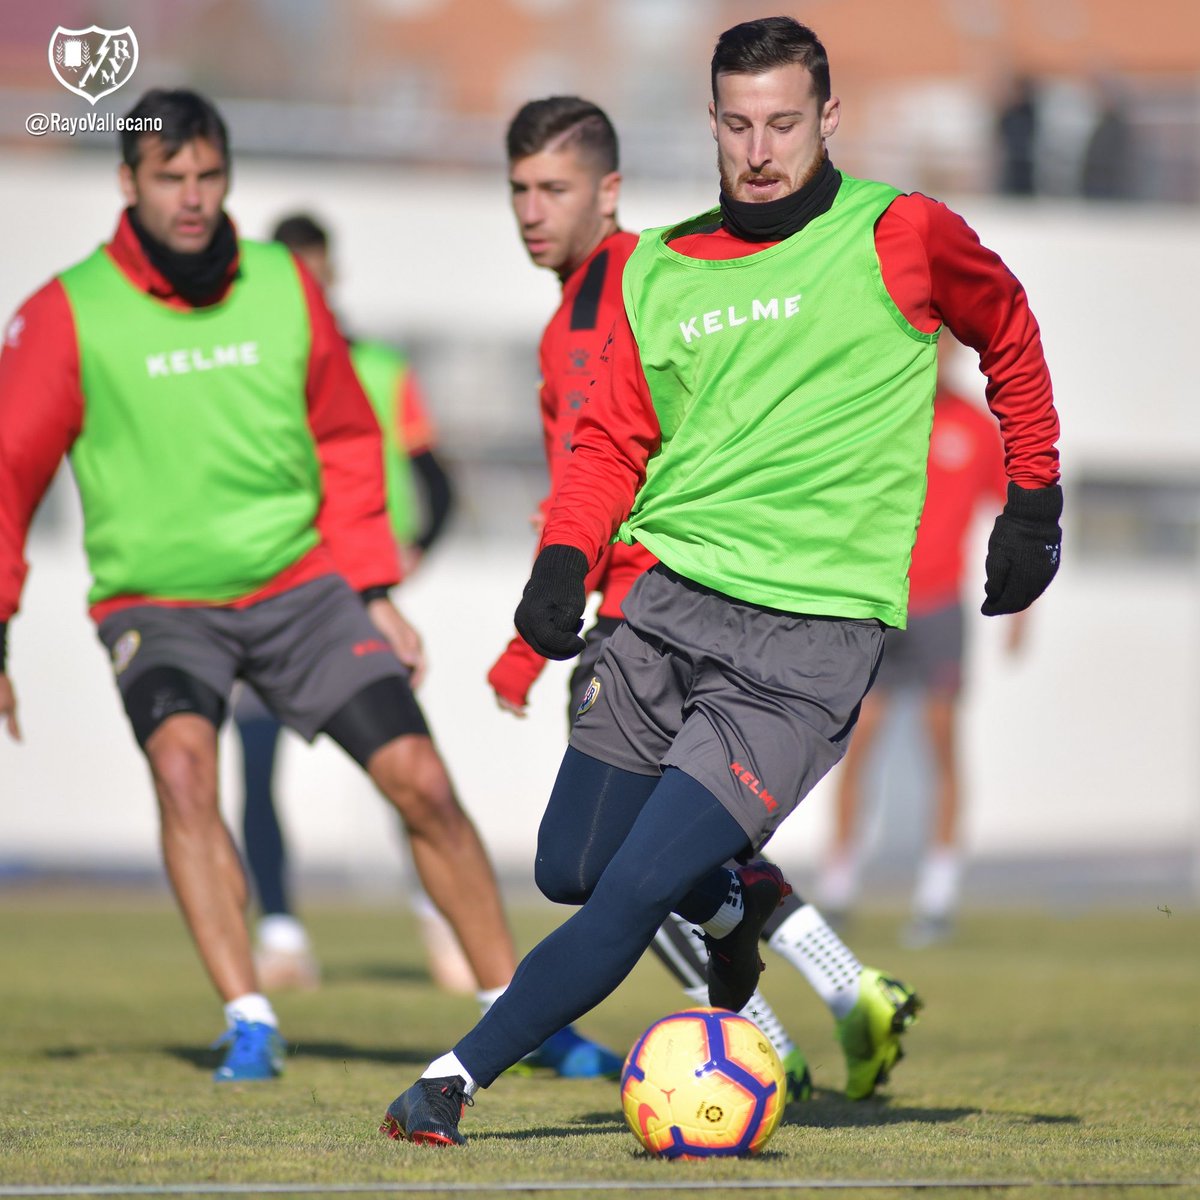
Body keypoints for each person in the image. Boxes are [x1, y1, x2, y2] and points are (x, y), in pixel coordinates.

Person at [378, 14, 1062, 1145]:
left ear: (828, 118)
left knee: (633, 890)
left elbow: (1012, 332)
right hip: (662, 607)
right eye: (738, 124)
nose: (760, 149)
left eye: (784, 122)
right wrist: (559, 563)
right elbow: (608, 444)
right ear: (709, 125)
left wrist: (1033, 496)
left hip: (806, 645)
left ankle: (453, 1080)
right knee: (572, 866)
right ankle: (737, 899)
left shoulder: (902, 232)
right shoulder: (662, 267)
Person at [0, 88, 618, 1084]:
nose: (194, 199)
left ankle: (524, 1015)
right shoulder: (66, 311)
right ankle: (249, 1017)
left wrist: (373, 585)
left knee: (421, 780)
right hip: (158, 606)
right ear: (129, 184)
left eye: (210, 177)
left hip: (303, 593)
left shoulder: (285, 285)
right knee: (186, 772)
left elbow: (345, 436)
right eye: (171, 179)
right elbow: (8, 473)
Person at [486, 95, 923, 1104]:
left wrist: (537, 640)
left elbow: (624, 465)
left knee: (621, 873)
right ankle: (842, 985)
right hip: (662, 603)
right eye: (518, 190)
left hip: (669, 609)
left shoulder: (644, 286)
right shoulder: (579, 316)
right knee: (665, 859)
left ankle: (762, 1042)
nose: (531, 212)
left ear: (609, 192)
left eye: (553, 188)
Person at [231, 212, 466, 994]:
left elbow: (435, 481)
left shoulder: (378, 368)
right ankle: (281, 933)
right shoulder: (246, 369)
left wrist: (402, 564)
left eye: (316, 274)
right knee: (257, 766)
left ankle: (440, 922)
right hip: (268, 597)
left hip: (358, 604)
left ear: (332, 278)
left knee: (404, 766)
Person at [818, 341, 1026, 946]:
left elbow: (1012, 514)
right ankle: (839, 886)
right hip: (878, 607)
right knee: (856, 745)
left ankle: (938, 895)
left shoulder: (974, 428)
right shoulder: (879, 413)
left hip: (940, 609)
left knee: (941, 744)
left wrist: (1020, 606)